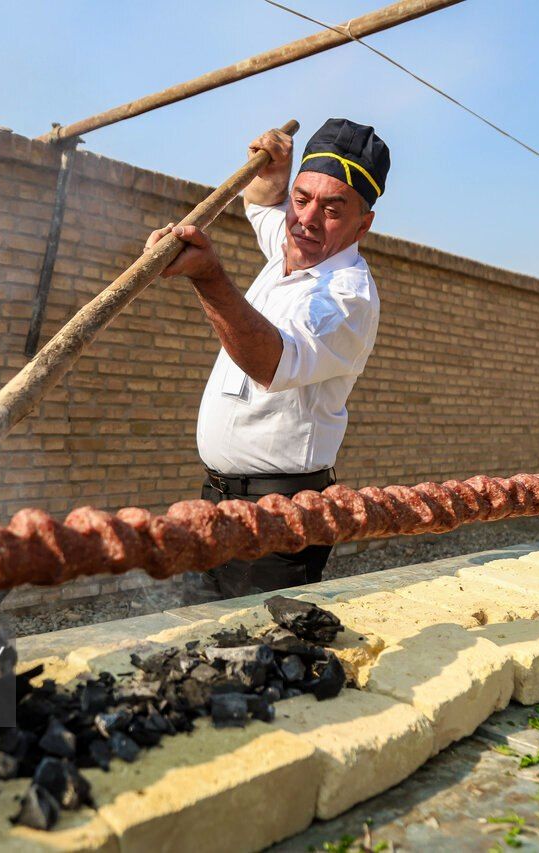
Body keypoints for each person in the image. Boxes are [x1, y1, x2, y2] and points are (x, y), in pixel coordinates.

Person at [145, 118, 389, 598]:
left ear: (364, 223)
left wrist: (209, 276)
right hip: (215, 504)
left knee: (267, 659)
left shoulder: (346, 299)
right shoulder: (294, 242)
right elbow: (260, 203)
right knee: (199, 646)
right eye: (302, 199)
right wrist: (274, 173)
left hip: (280, 519)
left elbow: (272, 362)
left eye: (334, 208)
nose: (308, 219)